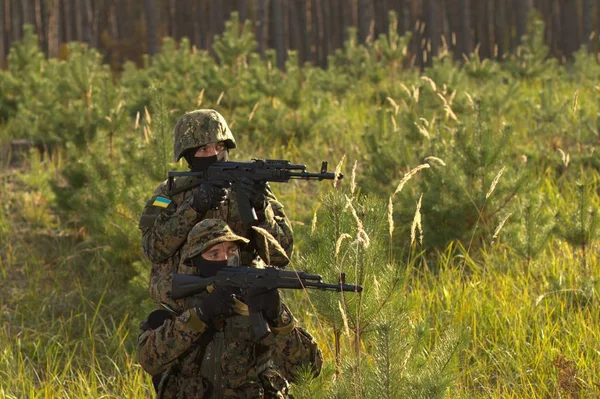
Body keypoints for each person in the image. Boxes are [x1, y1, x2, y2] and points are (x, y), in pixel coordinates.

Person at [137, 219, 323, 398]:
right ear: (195, 260)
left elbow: (307, 371)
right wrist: (200, 315)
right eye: (214, 254)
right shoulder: (179, 303)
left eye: (232, 251)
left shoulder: (256, 299)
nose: (225, 259)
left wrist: (277, 316)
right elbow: (149, 360)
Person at [138, 109, 294, 305]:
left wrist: (261, 207)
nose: (214, 155)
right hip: (186, 308)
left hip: (244, 303)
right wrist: (193, 207)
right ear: (188, 155)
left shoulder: (250, 187)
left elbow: (282, 255)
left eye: (219, 147)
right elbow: (153, 249)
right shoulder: (168, 193)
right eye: (203, 149)